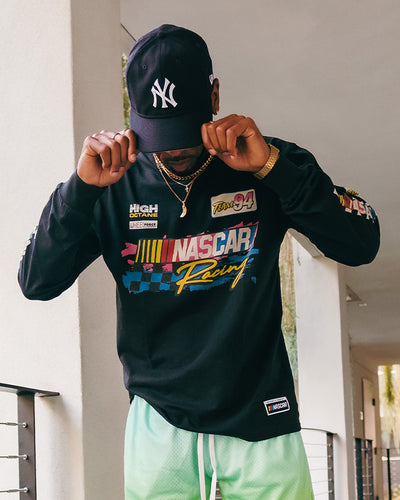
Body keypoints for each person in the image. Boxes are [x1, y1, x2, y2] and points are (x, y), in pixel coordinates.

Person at [18, 24, 380, 500]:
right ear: (132, 113)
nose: (173, 149)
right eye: (159, 133)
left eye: (183, 131)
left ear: (215, 95)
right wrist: (80, 191)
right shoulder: (111, 185)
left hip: (261, 416)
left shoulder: (269, 163)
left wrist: (274, 169)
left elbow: (361, 243)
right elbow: (36, 281)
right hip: (159, 422)